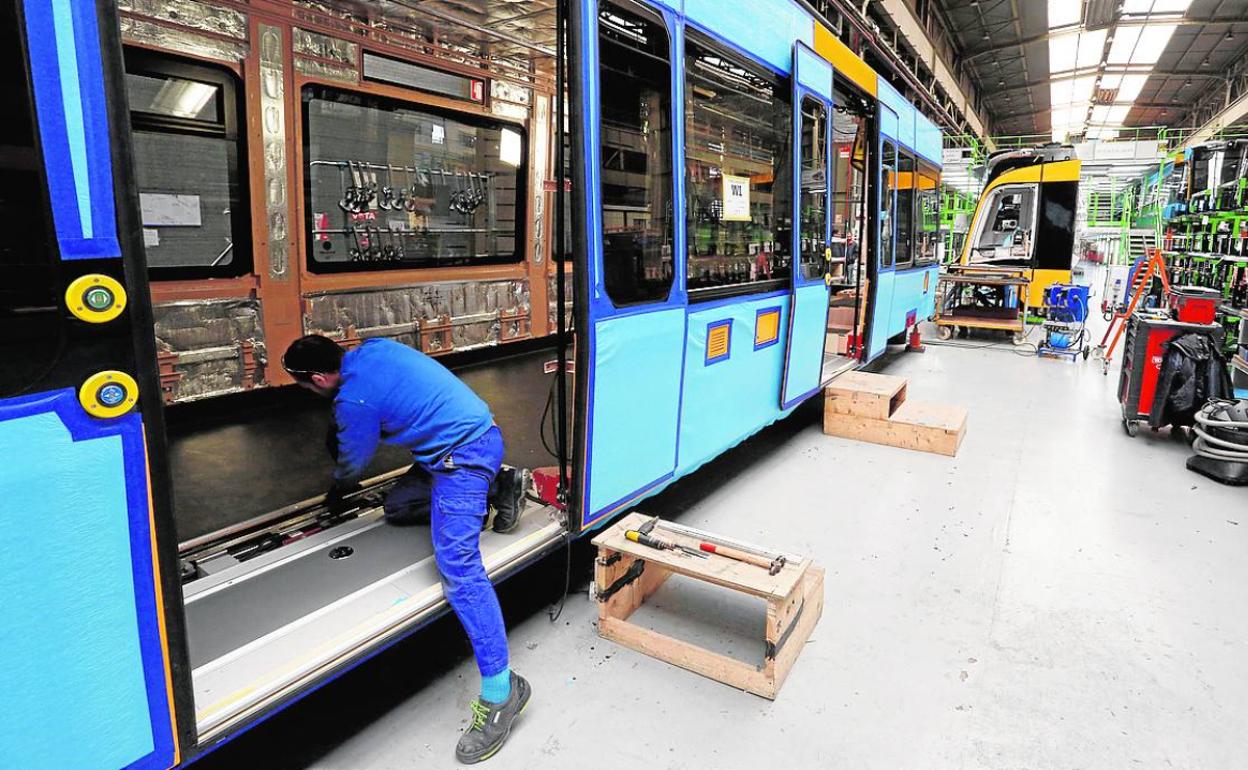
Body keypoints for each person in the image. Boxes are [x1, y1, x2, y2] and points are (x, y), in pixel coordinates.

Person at [283, 334, 531, 764]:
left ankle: (502, 692)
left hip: (463, 459)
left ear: (320, 378)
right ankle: (500, 485)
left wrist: (336, 490)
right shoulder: (375, 348)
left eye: (305, 386)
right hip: (475, 436)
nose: (307, 393)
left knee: (458, 569)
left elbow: (351, 466)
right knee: (397, 508)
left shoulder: (353, 403)